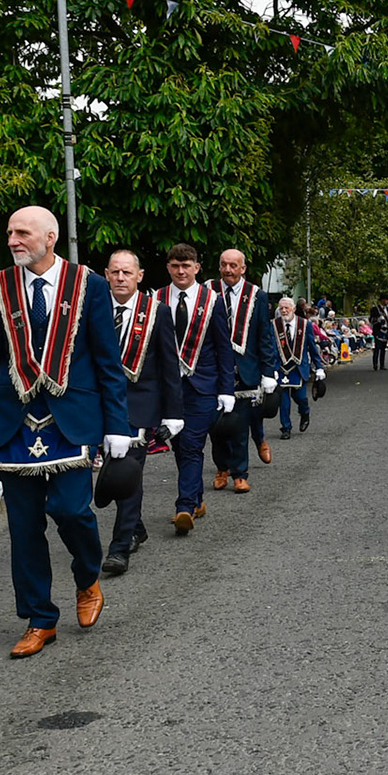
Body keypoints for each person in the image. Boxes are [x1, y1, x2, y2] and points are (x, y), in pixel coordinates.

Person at [0, 207, 131, 659]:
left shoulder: (89, 285)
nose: (13, 240)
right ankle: (40, 619)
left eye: (23, 232)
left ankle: (87, 577)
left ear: (51, 236)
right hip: (12, 421)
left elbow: (106, 362)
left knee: (72, 511)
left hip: (71, 419)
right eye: (9, 233)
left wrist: (118, 424)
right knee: (23, 527)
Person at [99, 250, 185, 577]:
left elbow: (168, 366)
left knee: (126, 474)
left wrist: (172, 415)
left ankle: (119, 548)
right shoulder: (92, 309)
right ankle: (136, 526)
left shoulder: (157, 313)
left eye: (127, 272)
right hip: (99, 406)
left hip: (140, 406)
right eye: (115, 272)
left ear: (140, 275)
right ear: (106, 275)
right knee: (104, 477)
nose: (121, 278)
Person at [155, 243, 235, 535]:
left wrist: (226, 389)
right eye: (175, 265)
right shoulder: (158, 298)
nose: (181, 271)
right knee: (178, 446)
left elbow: (224, 348)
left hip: (202, 386)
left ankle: (184, 506)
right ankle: (197, 498)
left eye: (186, 265)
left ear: (197, 268)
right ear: (168, 267)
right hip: (169, 388)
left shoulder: (212, 300)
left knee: (191, 444)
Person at [209, 249, 280, 494]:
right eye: (223, 265)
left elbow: (264, 335)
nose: (228, 270)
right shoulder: (209, 290)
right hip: (214, 368)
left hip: (246, 368)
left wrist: (268, 371)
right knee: (215, 425)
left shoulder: (257, 295)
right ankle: (221, 468)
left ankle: (240, 473)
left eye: (233, 265)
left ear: (243, 269)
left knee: (239, 425)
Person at [273, 295, 324, 437]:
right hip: (281, 368)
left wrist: (319, 367)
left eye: (286, 308)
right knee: (283, 401)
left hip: (298, 368)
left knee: (300, 398)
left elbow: (312, 347)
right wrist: (270, 369)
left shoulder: (305, 324)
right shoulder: (274, 325)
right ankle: (286, 428)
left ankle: (305, 413)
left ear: (293, 309)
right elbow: (270, 349)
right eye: (281, 308)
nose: (283, 310)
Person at [370, 295, 388, 371]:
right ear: (382, 300)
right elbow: (371, 320)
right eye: (385, 300)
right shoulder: (375, 309)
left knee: (383, 349)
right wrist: (378, 320)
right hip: (378, 331)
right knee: (377, 348)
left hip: (386, 330)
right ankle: (375, 364)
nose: (386, 301)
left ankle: (382, 364)